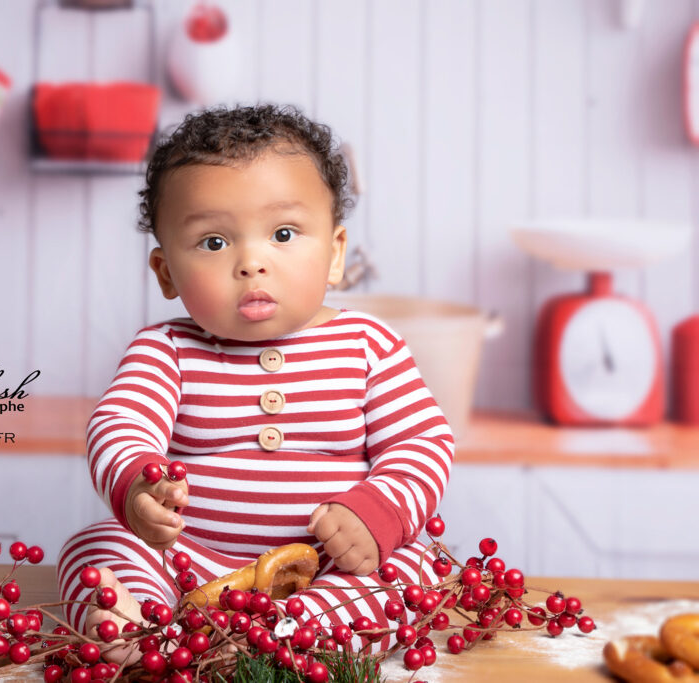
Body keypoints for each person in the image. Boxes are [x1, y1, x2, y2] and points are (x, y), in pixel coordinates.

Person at [56, 104, 455, 659]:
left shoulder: (368, 344)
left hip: (325, 570)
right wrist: (137, 487)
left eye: (283, 233)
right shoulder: (166, 349)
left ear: (335, 254)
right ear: (166, 272)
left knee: (413, 566)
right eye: (214, 242)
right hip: (188, 566)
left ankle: (297, 632)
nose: (251, 262)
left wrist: (377, 510)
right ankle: (140, 631)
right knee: (95, 547)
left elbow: (422, 443)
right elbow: (120, 424)